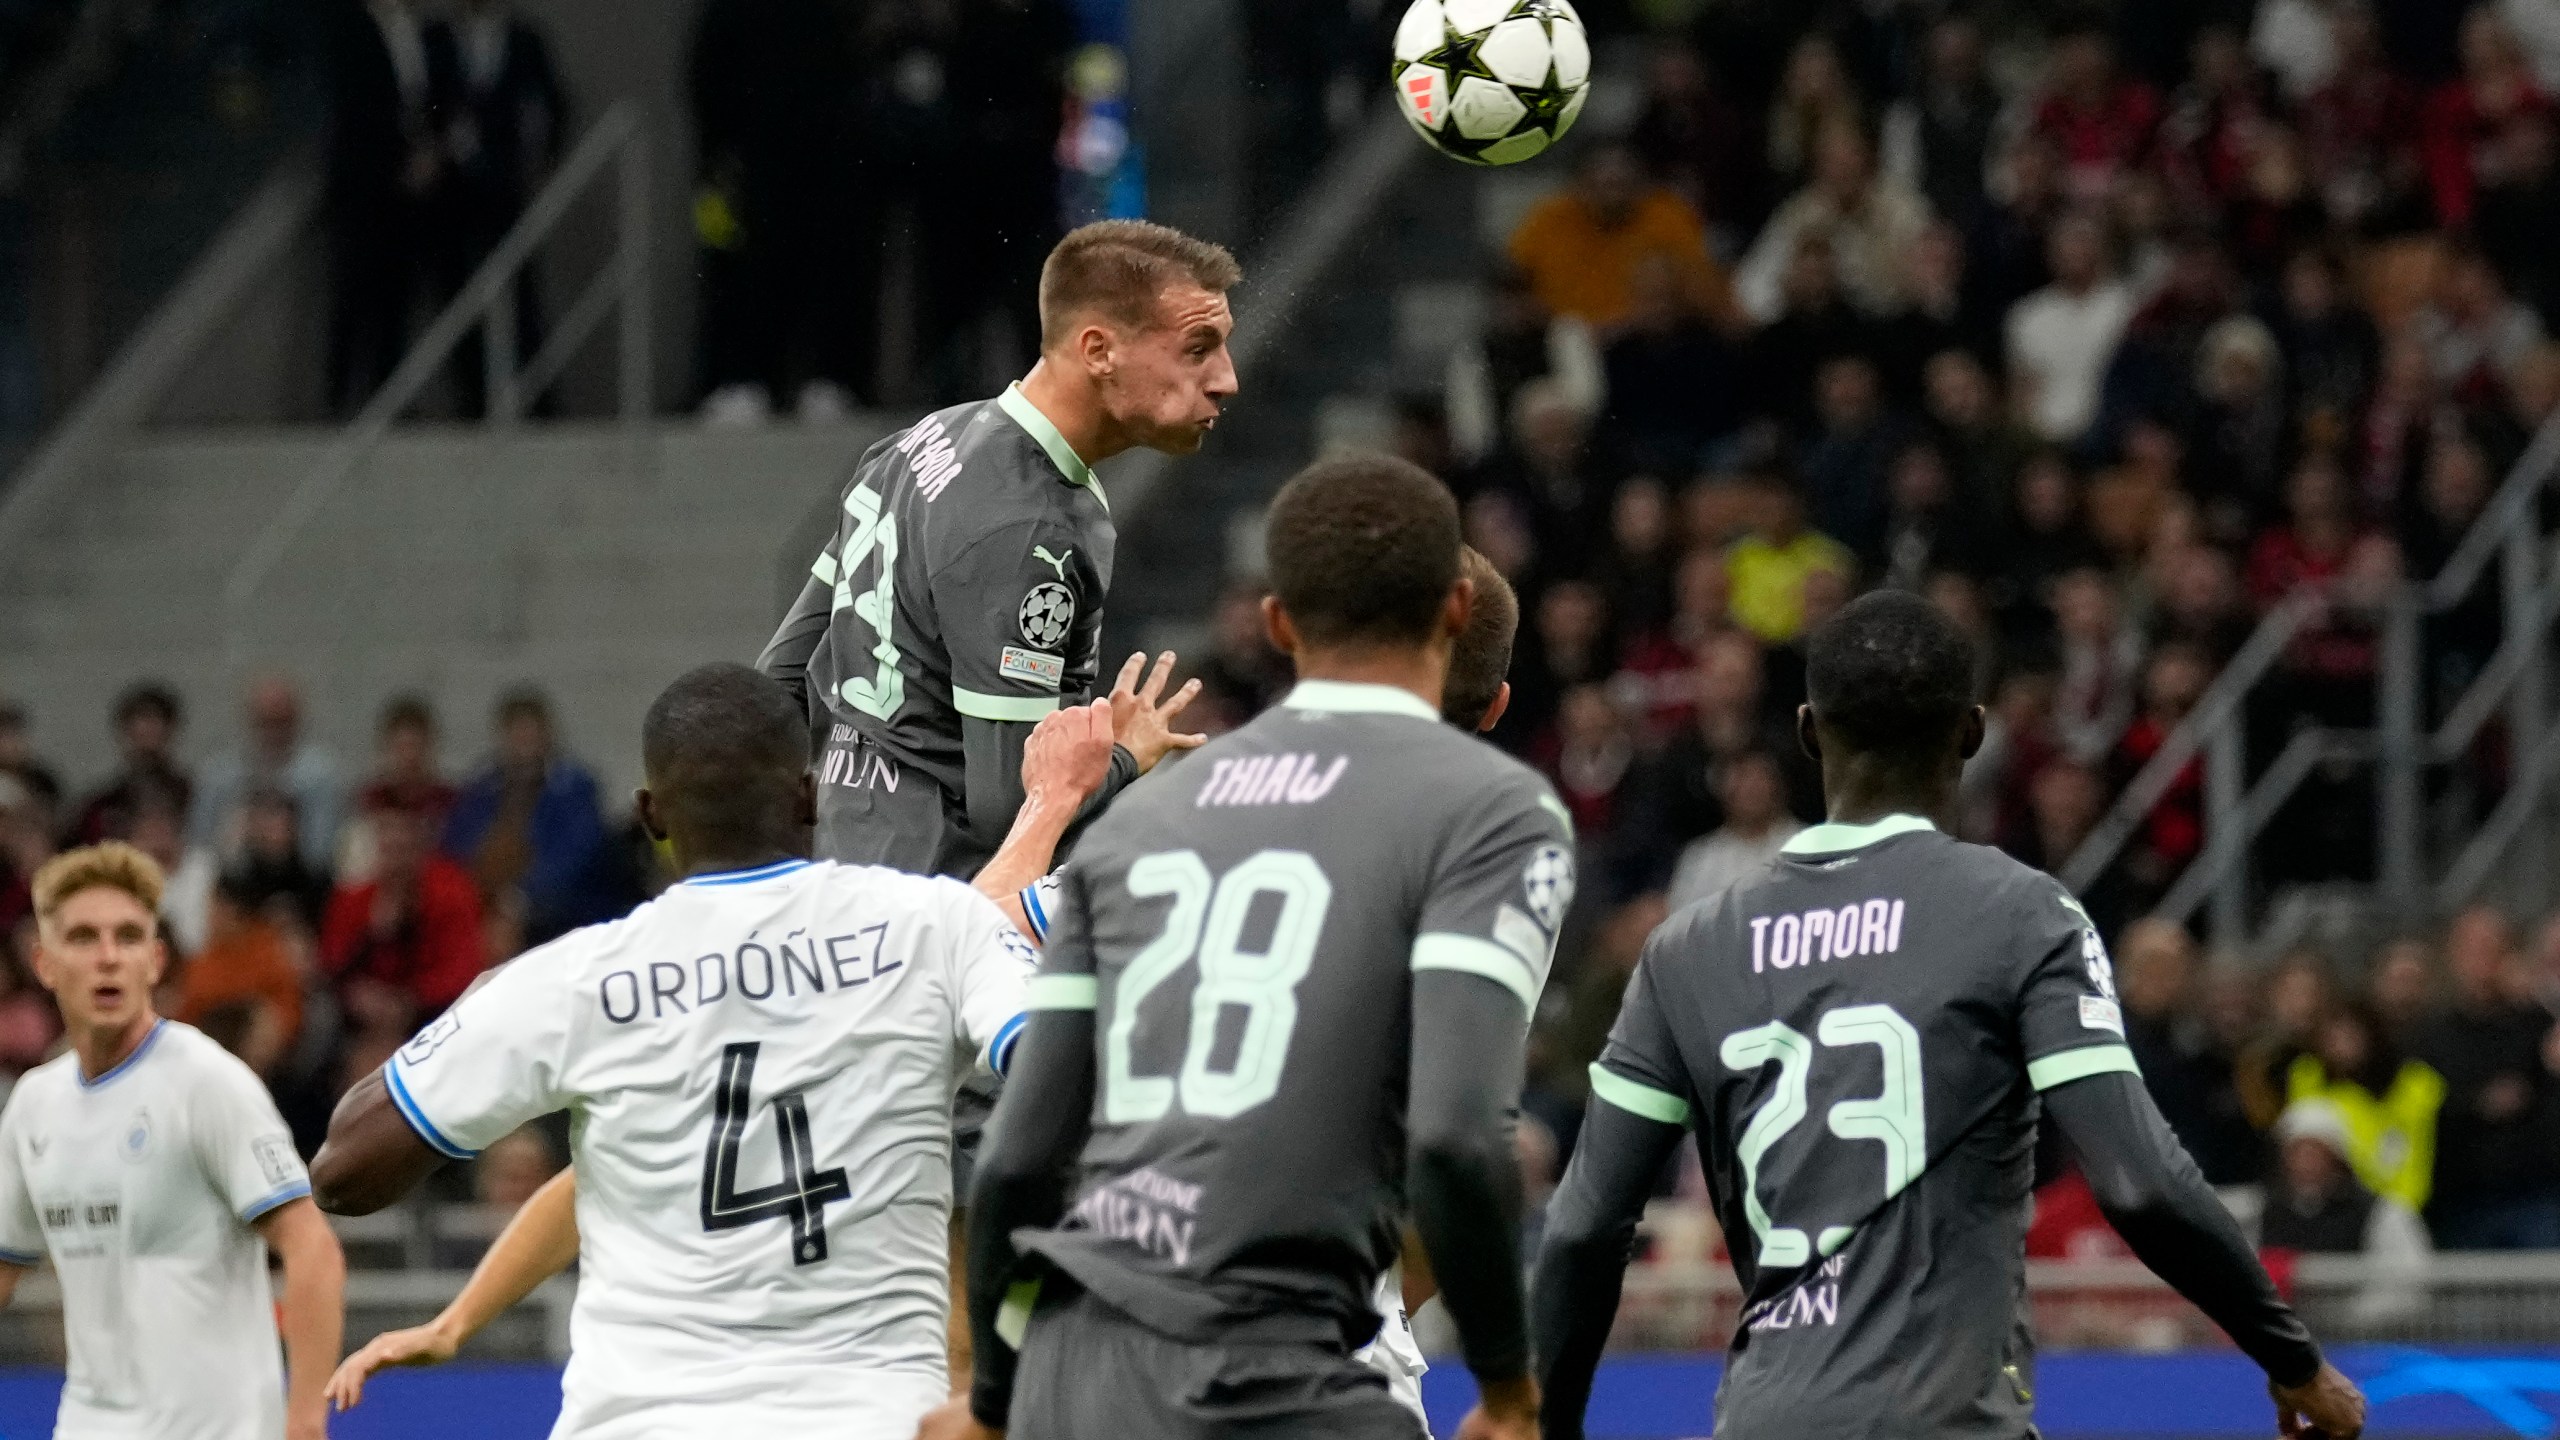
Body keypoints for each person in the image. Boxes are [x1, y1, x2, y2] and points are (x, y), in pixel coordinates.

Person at [1529, 590, 2365, 1440]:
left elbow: (1583, 1227)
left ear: (1810, 732)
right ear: (1972, 733)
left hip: (1763, 1416)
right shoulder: (2021, 914)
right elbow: (2140, 1182)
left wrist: (1546, 1428)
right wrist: (2291, 1359)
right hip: (1947, 1418)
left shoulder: (1685, 951)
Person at [944, 454, 1575, 1440]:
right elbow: (1454, 1144)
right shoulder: (1484, 817)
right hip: (1289, 1361)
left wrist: (989, 1405)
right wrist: (1504, 1386)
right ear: (1456, 620)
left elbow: (1020, 1154)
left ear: (1279, 625)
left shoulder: (1142, 825)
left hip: (1083, 1373)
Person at [320, 686, 1146, 1420]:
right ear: (808, 796)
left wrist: (485, 1010)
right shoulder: (928, 930)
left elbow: (345, 1172)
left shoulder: (578, 980)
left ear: (649, 817)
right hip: (868, 1412)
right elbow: (1062, 1084)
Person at [757, 219, 1237, 880]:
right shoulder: (1030, 530)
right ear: (1099, 350)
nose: (1226, 380)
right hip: (948, 925)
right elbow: (1008, 804)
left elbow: (783, 684)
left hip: (844, 900)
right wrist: (1124, 754)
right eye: (1197, 348)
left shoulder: (918, 441)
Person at [0, 842, 346, 1440]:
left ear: (156, 961)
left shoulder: (208, 1085)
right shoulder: (33, 1105)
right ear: (45, 964)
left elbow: (313, 1250)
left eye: (128, 937)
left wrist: (306, 1422)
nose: (109, 958)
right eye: (84, 938)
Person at [441, 688, 612, 942]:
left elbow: (579, 854)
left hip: (557, 912)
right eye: (516, 732)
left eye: (531, 731)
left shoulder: (575, 788)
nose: (524, 741)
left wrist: (522, 897)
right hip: (486, 904)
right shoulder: (482, 789)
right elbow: (456, 845)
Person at [192, 675, 346, 873]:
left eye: (281, 722)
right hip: (231, 884)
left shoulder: (320, 775)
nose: (273, 732)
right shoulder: (221, 775)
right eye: (264, 722)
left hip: (302, 885)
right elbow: (200, 847)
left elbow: (323, 852)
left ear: (296, 721)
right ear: (250, 720)